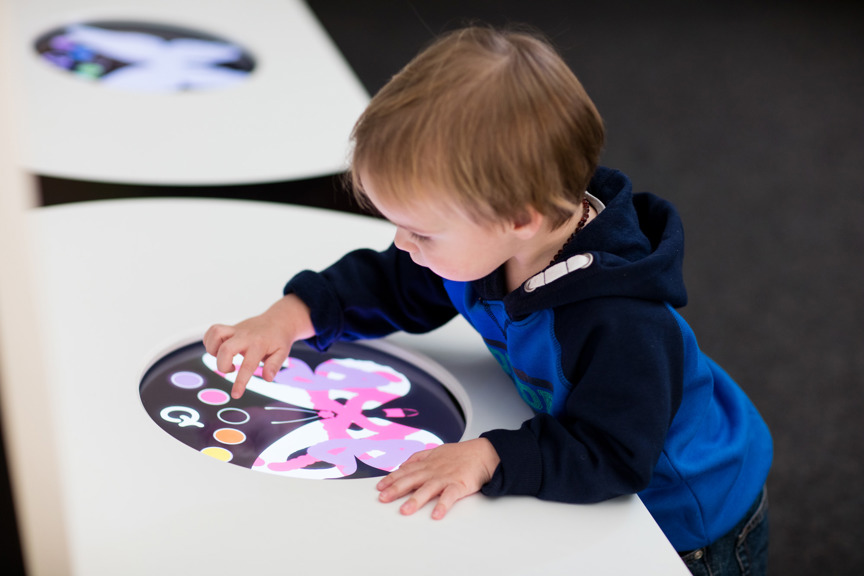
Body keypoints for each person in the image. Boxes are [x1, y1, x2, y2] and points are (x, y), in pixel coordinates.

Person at [204, 26, 772, 575]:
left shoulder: (621, 323)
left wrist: (490, 456)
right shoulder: (487, 244)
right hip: (593, 452)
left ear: (518, 221)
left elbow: (616, 454)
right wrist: (291, 316)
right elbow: (391, 283)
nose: (403, 243)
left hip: (687, 517)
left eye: (421, 232)